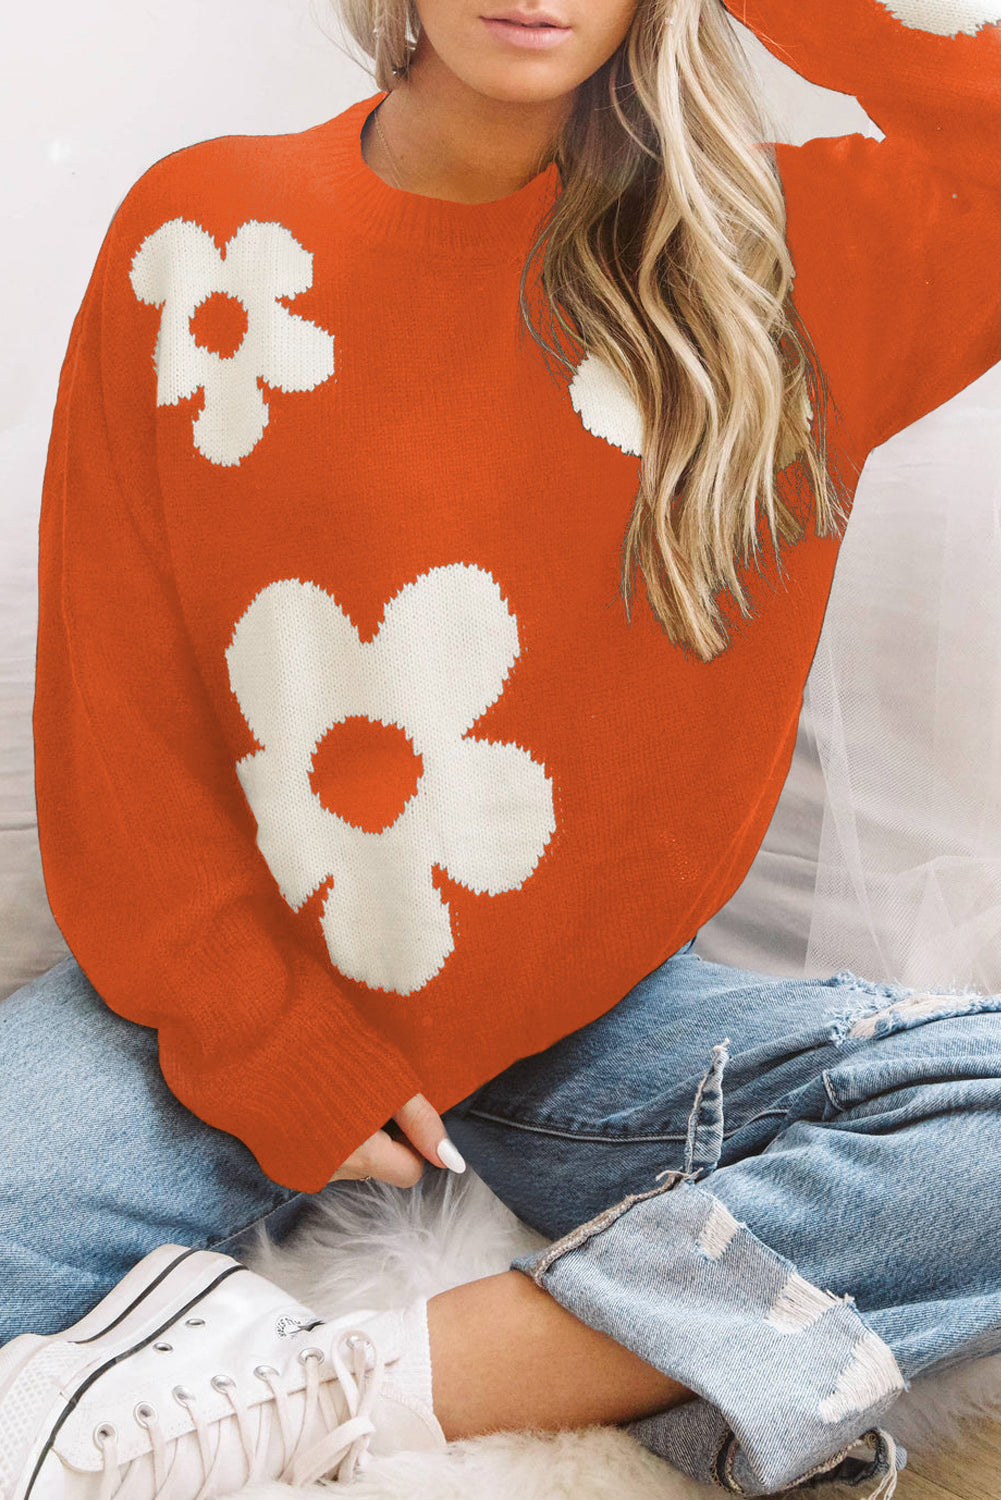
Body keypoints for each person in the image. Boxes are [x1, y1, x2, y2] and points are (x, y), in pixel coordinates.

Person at [3, 0, 1001, 1494]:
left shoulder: (777, 260)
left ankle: (333, 1394)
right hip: (207, 1013)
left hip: (593, 1038)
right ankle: (671, 1370)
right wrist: (274, 1050)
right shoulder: (205, 232)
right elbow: (117, 721)